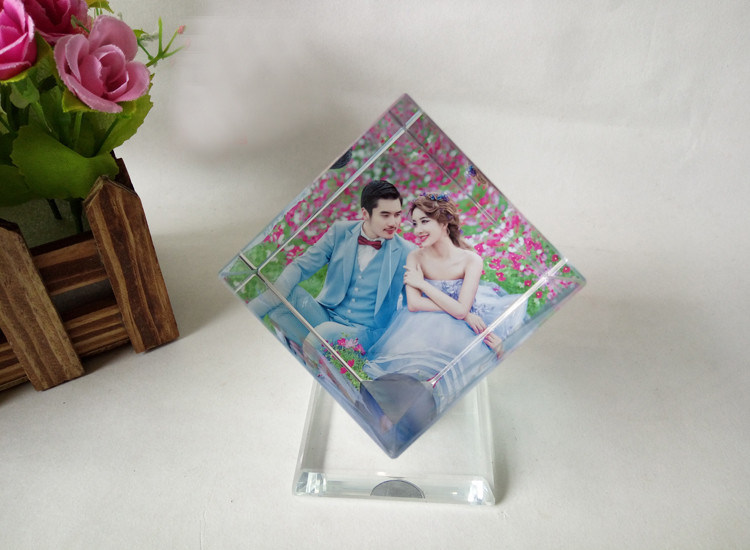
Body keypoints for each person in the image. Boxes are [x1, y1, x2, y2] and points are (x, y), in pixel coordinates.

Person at [364, 193, 526, 409]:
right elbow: (414, 304)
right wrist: (461, 312)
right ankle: (404, 396)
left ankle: (435, 397)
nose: (417, 230)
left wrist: (423, 285)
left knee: (469, 351)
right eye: (414, 223)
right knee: (418, 353)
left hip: (467, 318)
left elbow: (461, 310)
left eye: (424, 221)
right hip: (425, 319)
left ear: (444, 222)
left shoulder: (471, 259)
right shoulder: (415, 257)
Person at [249, 180, 415, 363]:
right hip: (326, 314)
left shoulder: (407, 252)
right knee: (283, 301)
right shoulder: (340, 231)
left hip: (366, 332)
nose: (393, 222)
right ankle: (316, 353)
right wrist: (261, 304)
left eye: (397, 215)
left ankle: (314, 356)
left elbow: (410, 306)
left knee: (324, 332)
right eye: (385, 215)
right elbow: (301, 266)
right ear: (365, 214)